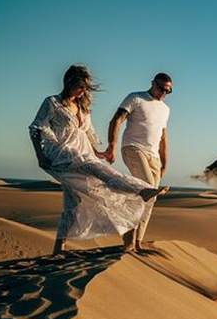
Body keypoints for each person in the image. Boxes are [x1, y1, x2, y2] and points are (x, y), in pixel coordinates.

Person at [29, 64, 169, 254]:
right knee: (102, 172)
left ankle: (58, 250)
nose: (82, 91)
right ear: (69, 82)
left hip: (83, 152)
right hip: (63, 154)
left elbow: (86, 133)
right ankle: (141, 190)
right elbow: (36, 129)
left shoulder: (82, 107)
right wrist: (40, 157)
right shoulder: (53, 102)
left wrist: (99, 152)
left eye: (85, 88)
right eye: (80, 86)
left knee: (73, 203)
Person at [104, 72, 172, 252]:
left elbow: (163, 137)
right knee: (149, 189)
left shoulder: (165, 109)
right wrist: (112, 144)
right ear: (152, 83)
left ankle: (137, 242)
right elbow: (116, 119)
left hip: (154, 157)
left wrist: (164, 163)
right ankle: (128, 240)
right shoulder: (136, 98)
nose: (163, 93)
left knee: (150, 198)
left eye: (168, 91)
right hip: (133, 148)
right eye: (161, 88)